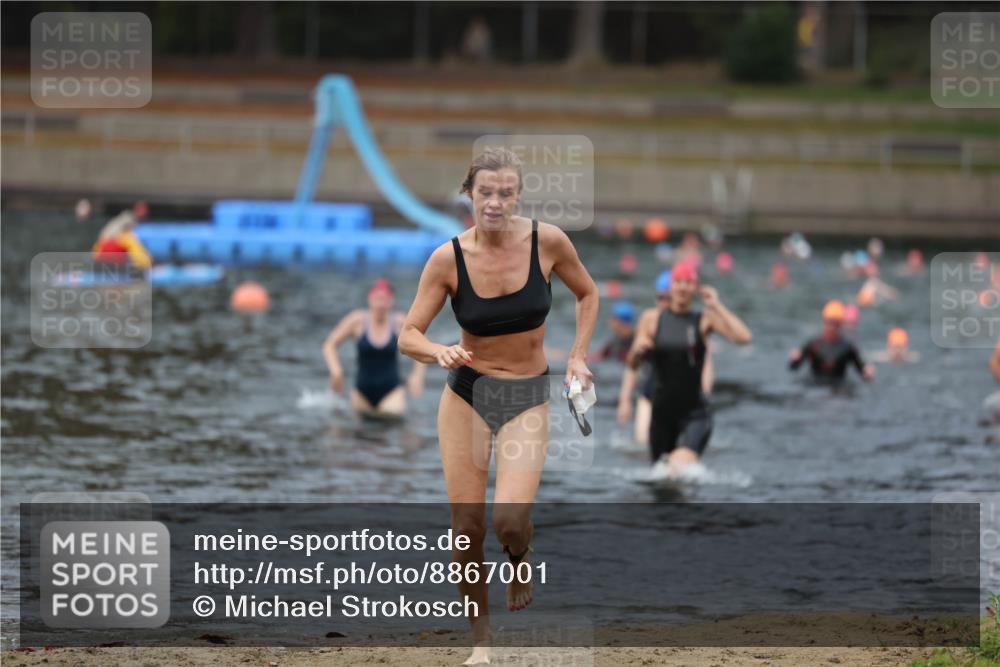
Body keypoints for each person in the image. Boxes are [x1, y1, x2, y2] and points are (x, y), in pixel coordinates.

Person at [398, 147, 598, 665]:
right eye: (485, 192)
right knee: (466, 528)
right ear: (470, 194)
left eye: (505, 193)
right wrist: (438, 350)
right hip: (467, 393)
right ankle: (481, 644)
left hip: (527, 394)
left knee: (510, 518)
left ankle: (519, 556)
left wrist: (577, 355)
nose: (494, 202)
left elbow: (588, 294)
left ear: (518, 196)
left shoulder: (548, 242)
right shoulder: (448, 258)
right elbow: (407, 335)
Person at [627, 262, 750, 477]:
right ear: (671, 287)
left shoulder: (704, 319)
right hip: (662, 415)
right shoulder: (652, 319)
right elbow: (632, 364)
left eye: (688, 282)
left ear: (696, 288)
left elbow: (744, 338)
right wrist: (637, 351)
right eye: (678, 282)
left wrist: (717, 305)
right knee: (660, 478)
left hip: (695, 413)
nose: (683, 287)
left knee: (677, 469)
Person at [617, 271, 714, 446]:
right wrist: (625, 400)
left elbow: (706, 364)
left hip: (684, 397)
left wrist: (705, 393)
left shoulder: (692, 324)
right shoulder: (649, 322)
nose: (664, 303)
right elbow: (632, 366)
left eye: (667, 298)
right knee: (643, 443)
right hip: (650, 394)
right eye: (660, 298)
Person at [323, 278, 426, 417]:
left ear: (391, 301)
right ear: (369, 299)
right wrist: (336, 371)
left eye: (385, 300)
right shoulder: (356, 320)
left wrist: (417, 376)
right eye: (378, 299)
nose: (381, 304)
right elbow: (329, 345)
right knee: (357, 430)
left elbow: (422, 345)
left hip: (392, 391)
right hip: (361, 393)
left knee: (390, 421)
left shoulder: (400, 322)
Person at [789, 300, 875, 381]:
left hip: (838, 387)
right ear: (824, 322)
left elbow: (861, 370)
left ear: (841, 325)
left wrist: (868, 372)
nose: (831, 327)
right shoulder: (814, 344)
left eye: (835, 324)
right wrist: (794, 359)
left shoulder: (847, 347)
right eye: (829, 322)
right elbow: (794, 367)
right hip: (815, 385)